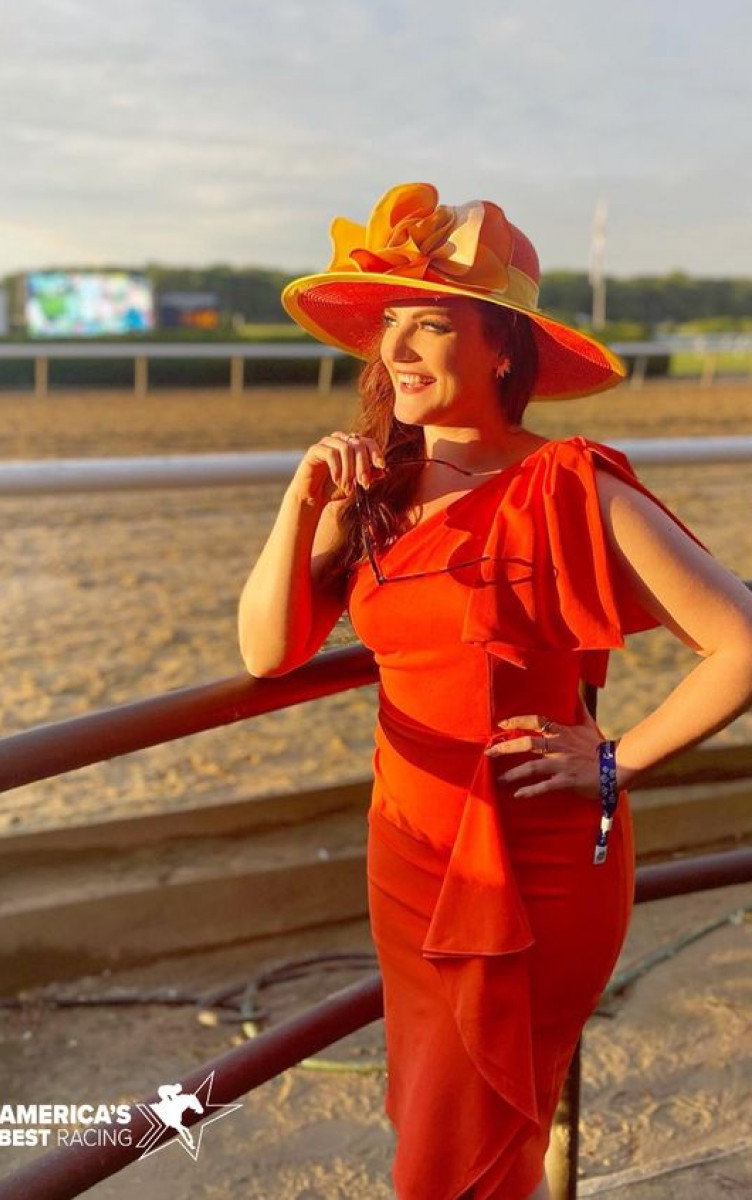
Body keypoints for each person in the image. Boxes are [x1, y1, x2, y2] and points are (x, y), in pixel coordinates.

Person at [237, 182, 752, 1199]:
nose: (399, 351)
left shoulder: (570, 483)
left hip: (532, 863)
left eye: (430, 325)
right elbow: (268, 652)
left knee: (460, 1151)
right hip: (407, 852)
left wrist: (613, 760)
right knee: (436, 1123)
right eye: (390, 326)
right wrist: (302, 507)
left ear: (501, 349)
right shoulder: (374, 488)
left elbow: (738, 641)